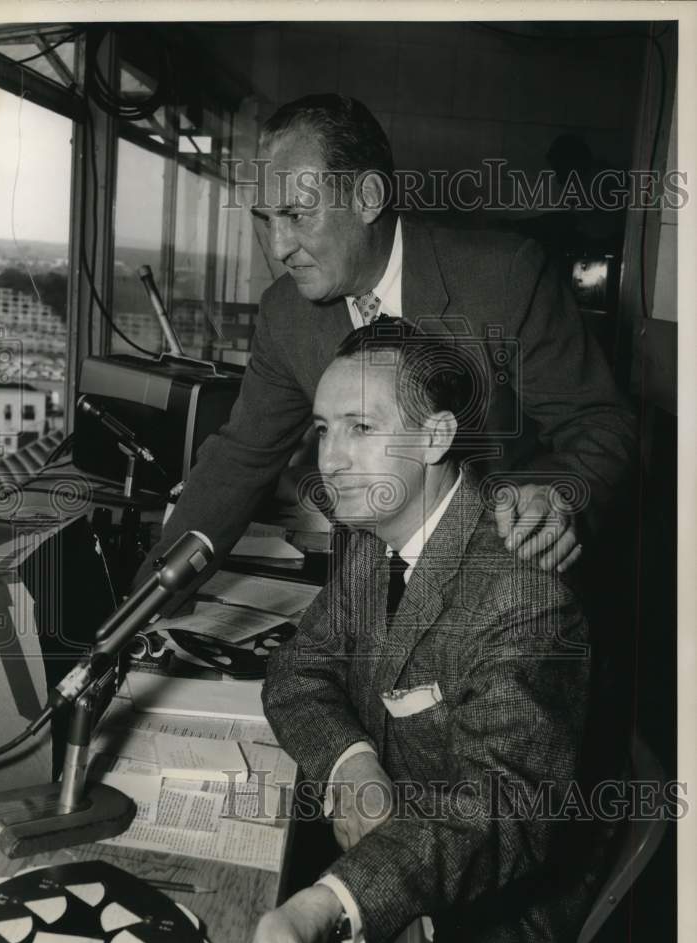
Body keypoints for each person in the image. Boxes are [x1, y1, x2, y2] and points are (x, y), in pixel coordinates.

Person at [133, 93, 636, 587]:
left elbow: (600, 422)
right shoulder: (286, 313)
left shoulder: (504, 278)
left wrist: (557, 496)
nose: (279, 247)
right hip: (372, 589)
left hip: (504, 581)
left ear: (368, 198)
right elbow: (239, 459)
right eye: (265, 220)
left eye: (297, 215)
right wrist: (150, 598)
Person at [252, 320, 611, 943]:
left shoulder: (523, 593)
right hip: (382, 843)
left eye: (361, 428)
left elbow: (498, 814)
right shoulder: (374, 530)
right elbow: (297, 673)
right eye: (324, 428)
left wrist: (330, 903)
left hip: (483, 918)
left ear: (437, 436)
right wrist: (352, 765)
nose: (329, 459)